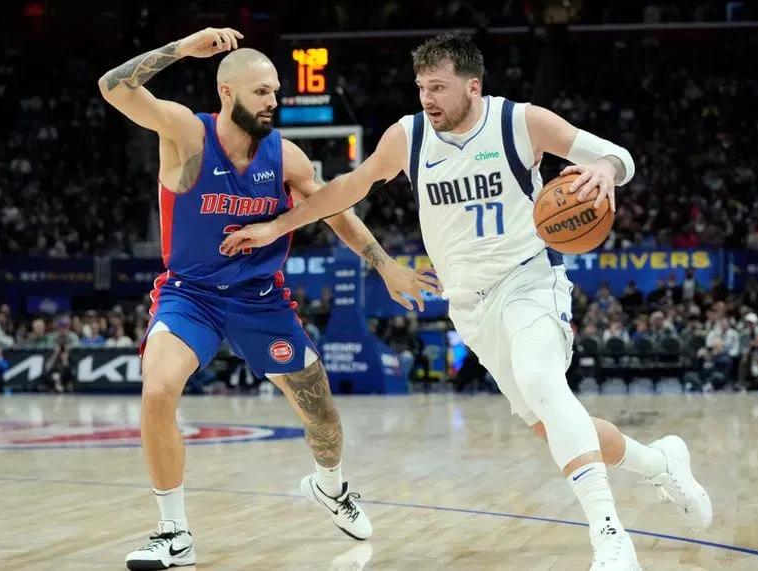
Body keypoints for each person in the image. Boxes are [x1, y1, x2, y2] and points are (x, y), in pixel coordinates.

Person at [224, 33, 711, 570]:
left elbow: (618, 156)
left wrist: (606, 169)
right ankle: (661, 463)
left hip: (529, 280)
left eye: (438, 87)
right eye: (421, 87)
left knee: (544, 384)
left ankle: (610, 537)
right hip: (470, 305)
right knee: (553, 422)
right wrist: (278, 226)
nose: (427, 98)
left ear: (472, 86)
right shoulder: (408, 136)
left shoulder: (519, 122)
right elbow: (348, 187)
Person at [99, 27, 440, 571]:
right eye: (262, 92)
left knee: (323, 417)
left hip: (261, 300)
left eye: (275, 92)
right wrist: (183, 48)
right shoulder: (187, 134)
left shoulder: (285, 157)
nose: (273, 102)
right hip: (192, 295)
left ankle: (330, 486)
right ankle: (174, 532)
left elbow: (335, 211)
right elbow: (114, 87)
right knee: (158, 390)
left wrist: (385, 266)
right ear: (227, 93)